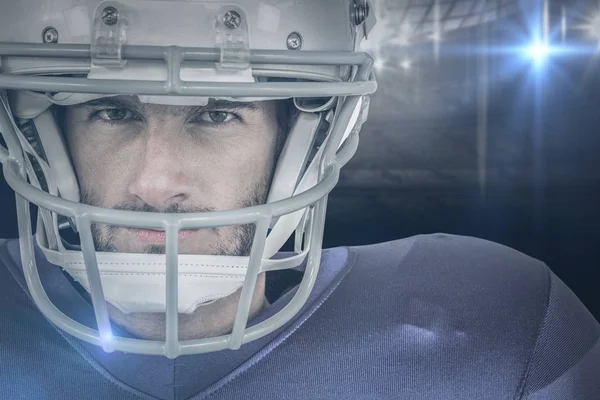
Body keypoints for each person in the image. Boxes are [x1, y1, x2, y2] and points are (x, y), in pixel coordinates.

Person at [0, 1, 598, 399]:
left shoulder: (498, 330)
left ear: (303, 139)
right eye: (111, 111)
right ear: (41, 133)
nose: (155, 184)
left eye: (215, 114)